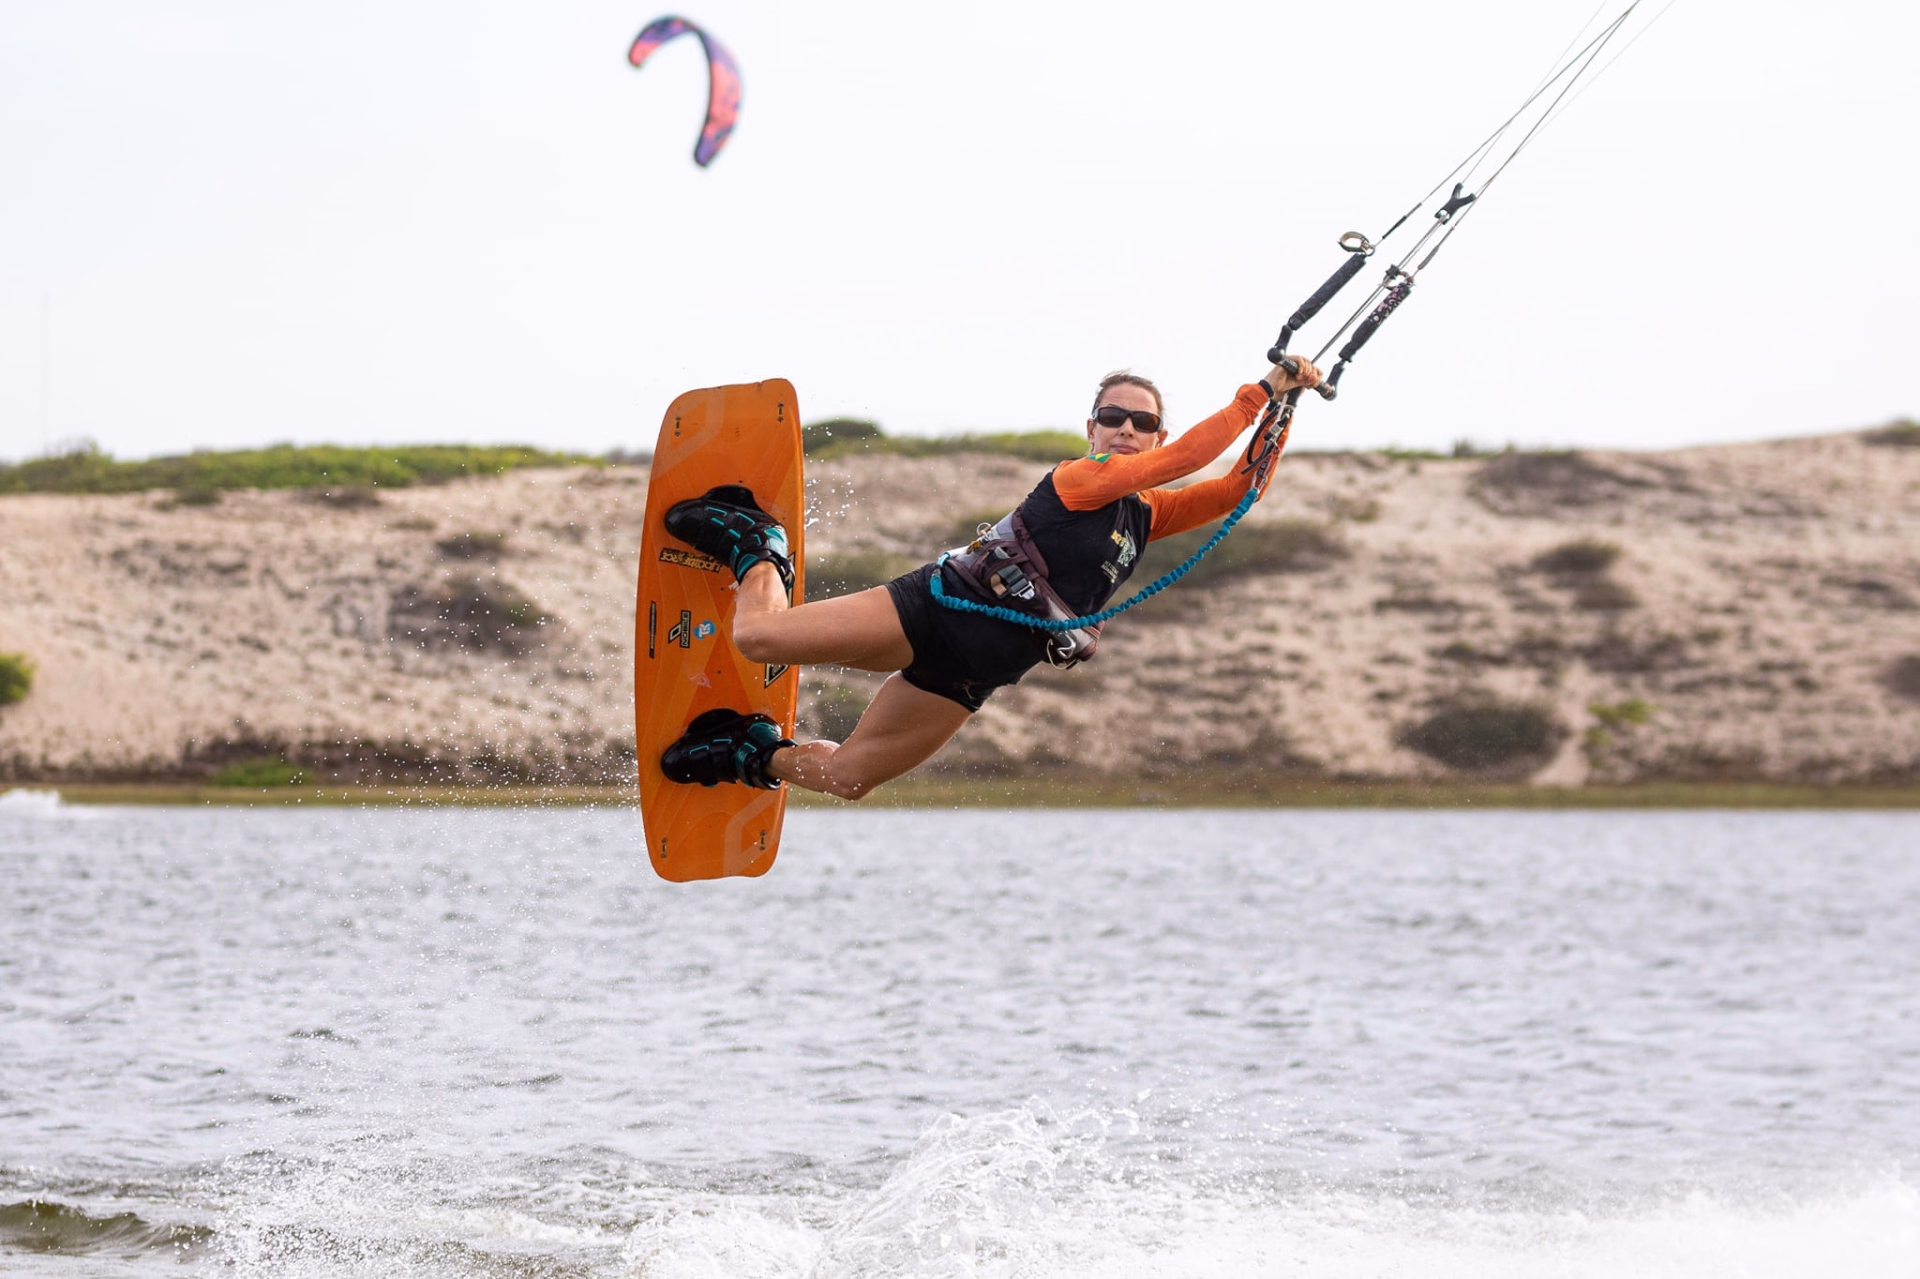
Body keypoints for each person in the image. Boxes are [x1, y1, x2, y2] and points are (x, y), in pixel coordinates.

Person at [658, 357, 1322, 799]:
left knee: (850, 778)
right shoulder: (1081, 479)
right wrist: (1261, 390)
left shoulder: (1147, 515)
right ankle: (759, 547)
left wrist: (1283, 411)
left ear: (1156, 434)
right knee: (760, 639)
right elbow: (1192, 457)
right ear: (1091, 429)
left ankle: (748, 750)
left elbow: (1238, 489)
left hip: (970, 678)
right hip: (932, 612)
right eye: (1112, 417)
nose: (1126, 428)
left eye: (1141, 422)